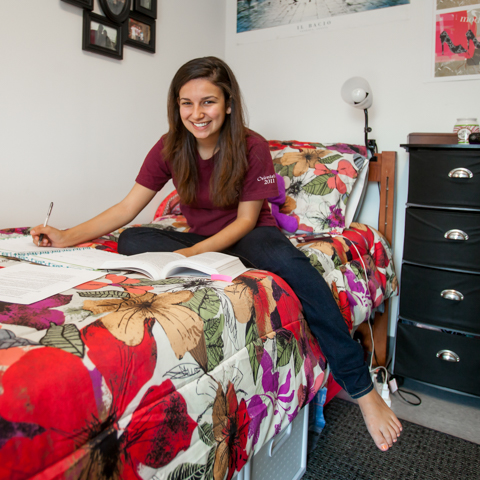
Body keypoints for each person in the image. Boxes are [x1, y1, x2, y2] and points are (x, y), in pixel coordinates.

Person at [31, 56, 402, 451]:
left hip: (251, 237)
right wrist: (66, 235)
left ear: (227, 103)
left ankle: (363, 391)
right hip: (199, 238)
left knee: (291, 265)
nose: (197, 113)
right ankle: (215, 260)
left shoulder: (251, 145)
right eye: (186, 103)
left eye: (207, 102)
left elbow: (245, 221)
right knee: (132, 239)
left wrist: (192, 253)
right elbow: (126, 209)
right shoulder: (169, 146)